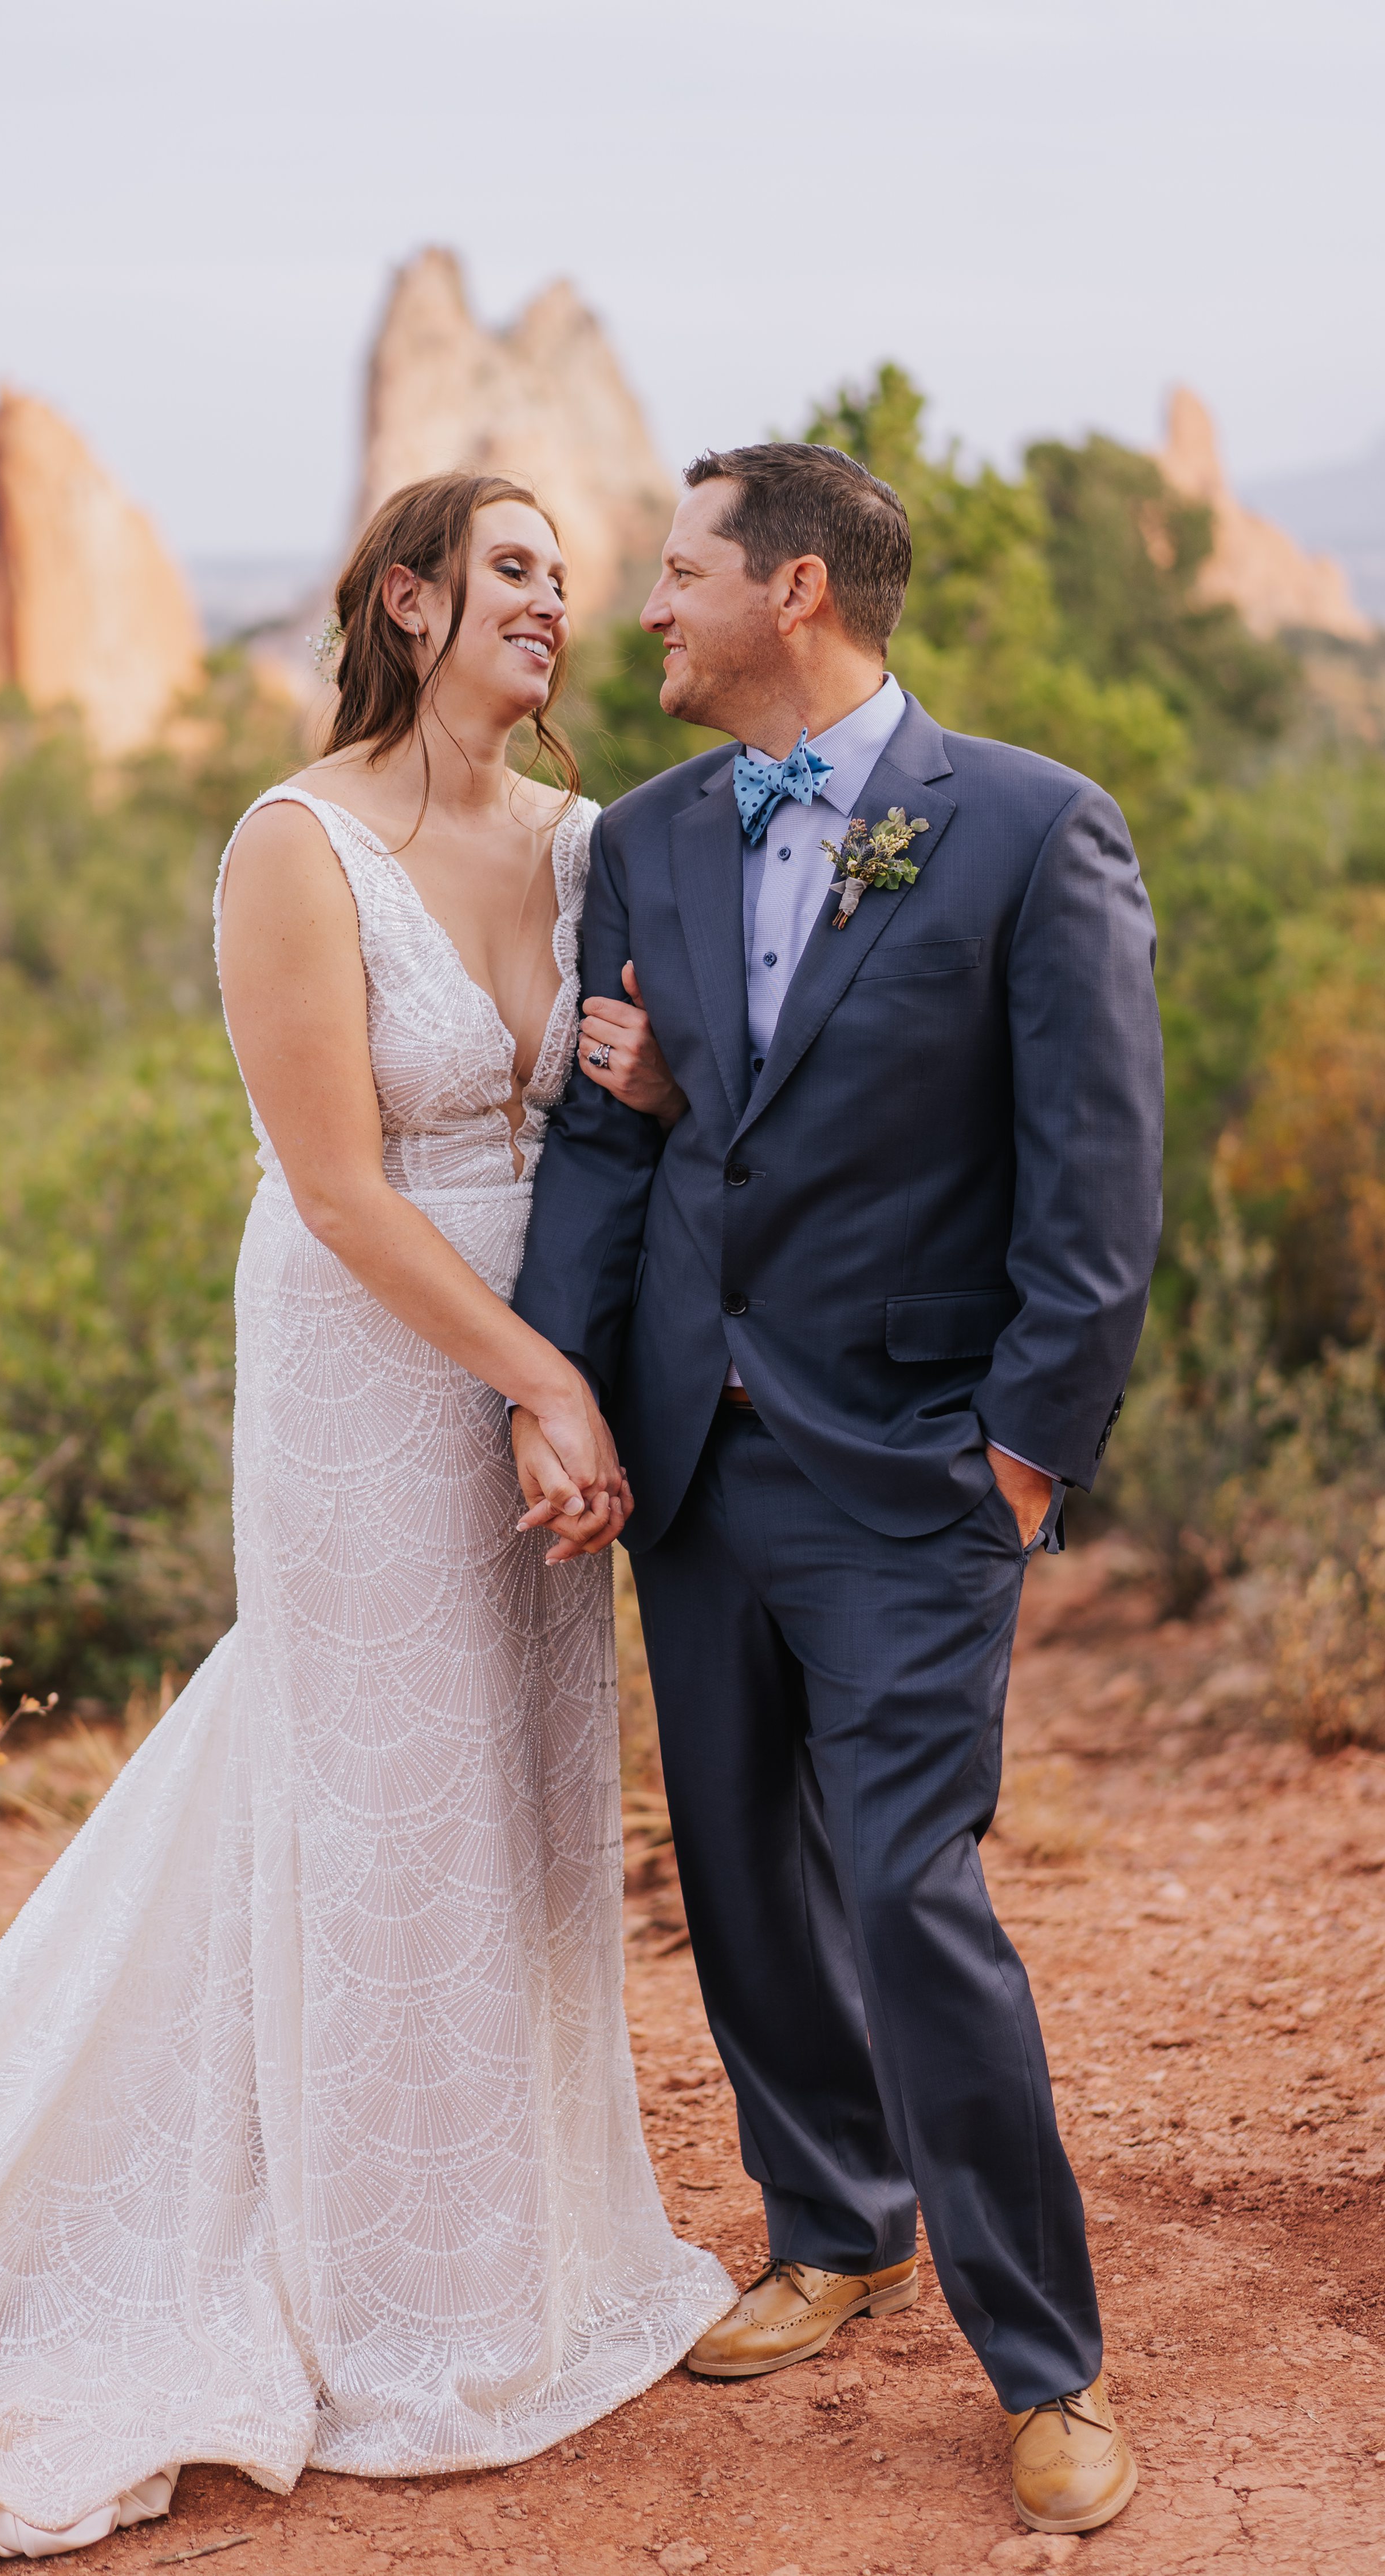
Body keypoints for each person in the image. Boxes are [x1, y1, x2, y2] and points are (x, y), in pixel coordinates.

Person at [0, 472, 731, 2574]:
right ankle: (381, 2301)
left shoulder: (591, 842)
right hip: (377, 1362)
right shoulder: (293, 843)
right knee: (374, 1783)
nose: (554, 603)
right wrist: (540, 1378)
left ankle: (510, 2260)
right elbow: (337, 1187)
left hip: (554, 1363)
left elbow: (635, 1108)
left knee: (518, 1795)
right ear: (412, 603)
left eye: (567, 579)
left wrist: (648, 1112)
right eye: (512, 569)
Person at [510, 441, 1163, 2539]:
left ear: (795, 592)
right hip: (696, 1451)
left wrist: (1025, 1448)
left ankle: (1045, 2360)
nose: (648, 613)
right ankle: (836, 2217)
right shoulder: (654, 834)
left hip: (913, 1469)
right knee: (735, 1869)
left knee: (908, 1884)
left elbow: (1095, 1180)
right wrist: (562, 1394)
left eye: (680, 573)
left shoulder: (1031, 831)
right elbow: (632, 1140)